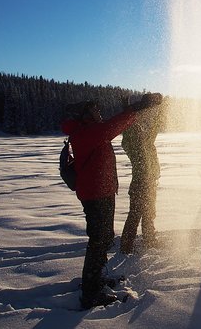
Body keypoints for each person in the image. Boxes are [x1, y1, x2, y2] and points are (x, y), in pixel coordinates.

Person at [61, 93, 162, 309]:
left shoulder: (89, 131)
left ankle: (96, 279)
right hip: (95, 194)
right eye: (95, 110)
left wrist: (133, 109)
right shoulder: (87, 132)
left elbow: (112, 128)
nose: (99, 113)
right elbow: (113, 127)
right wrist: (136, 108)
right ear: (85, 115)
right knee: (98, 241)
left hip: (102, 192)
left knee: (104, 238)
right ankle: (90, 292)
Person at [120, 96, 164, 254]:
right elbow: (129, 135)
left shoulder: (146, 141)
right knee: (135, 215)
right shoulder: (134, 143)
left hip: (150, 181)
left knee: (149, 212)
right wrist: (128, 112)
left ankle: (149, 240)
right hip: (140, 182)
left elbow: (154, 129)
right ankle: (126, 247)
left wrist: (159, 110)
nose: (142, 127)